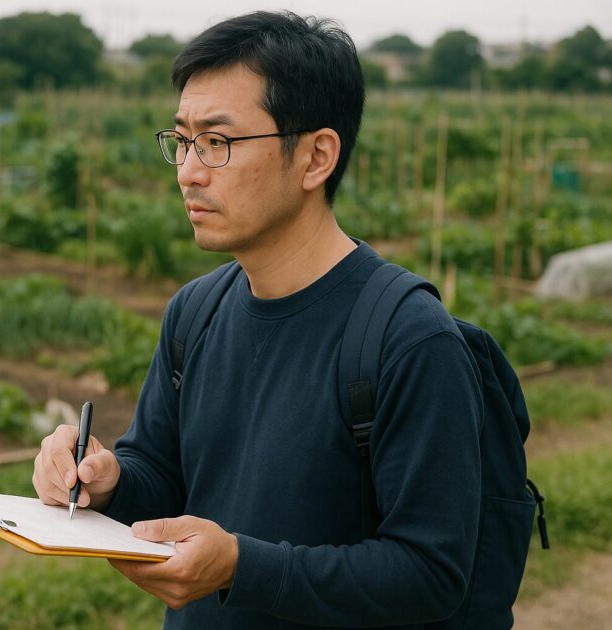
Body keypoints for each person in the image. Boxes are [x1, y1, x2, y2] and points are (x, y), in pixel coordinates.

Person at [32, 11, 482, 629]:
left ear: (317, 157)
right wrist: (104, 481)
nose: (189, 170)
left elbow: (432, 573)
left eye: (218, 142)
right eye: (182, 140)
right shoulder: (195, 311)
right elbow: (160, 476)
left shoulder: (408, 338)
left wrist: (242, 567)